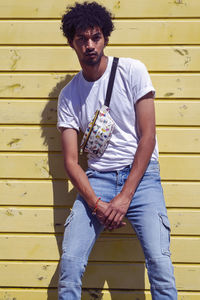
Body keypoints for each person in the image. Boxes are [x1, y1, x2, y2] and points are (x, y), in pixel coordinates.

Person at [57, 2, 177, 299]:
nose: (89, 45)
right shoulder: (69, 95)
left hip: (141, 179)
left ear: (105, 38)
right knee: (70, 263)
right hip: (96, 179)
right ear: (72, 42)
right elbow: (72, 162)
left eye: (95, 37)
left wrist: (124, 197)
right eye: (81, 39)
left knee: (160, 265)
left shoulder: (132, 71)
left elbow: (148, 137)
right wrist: (97, 204)